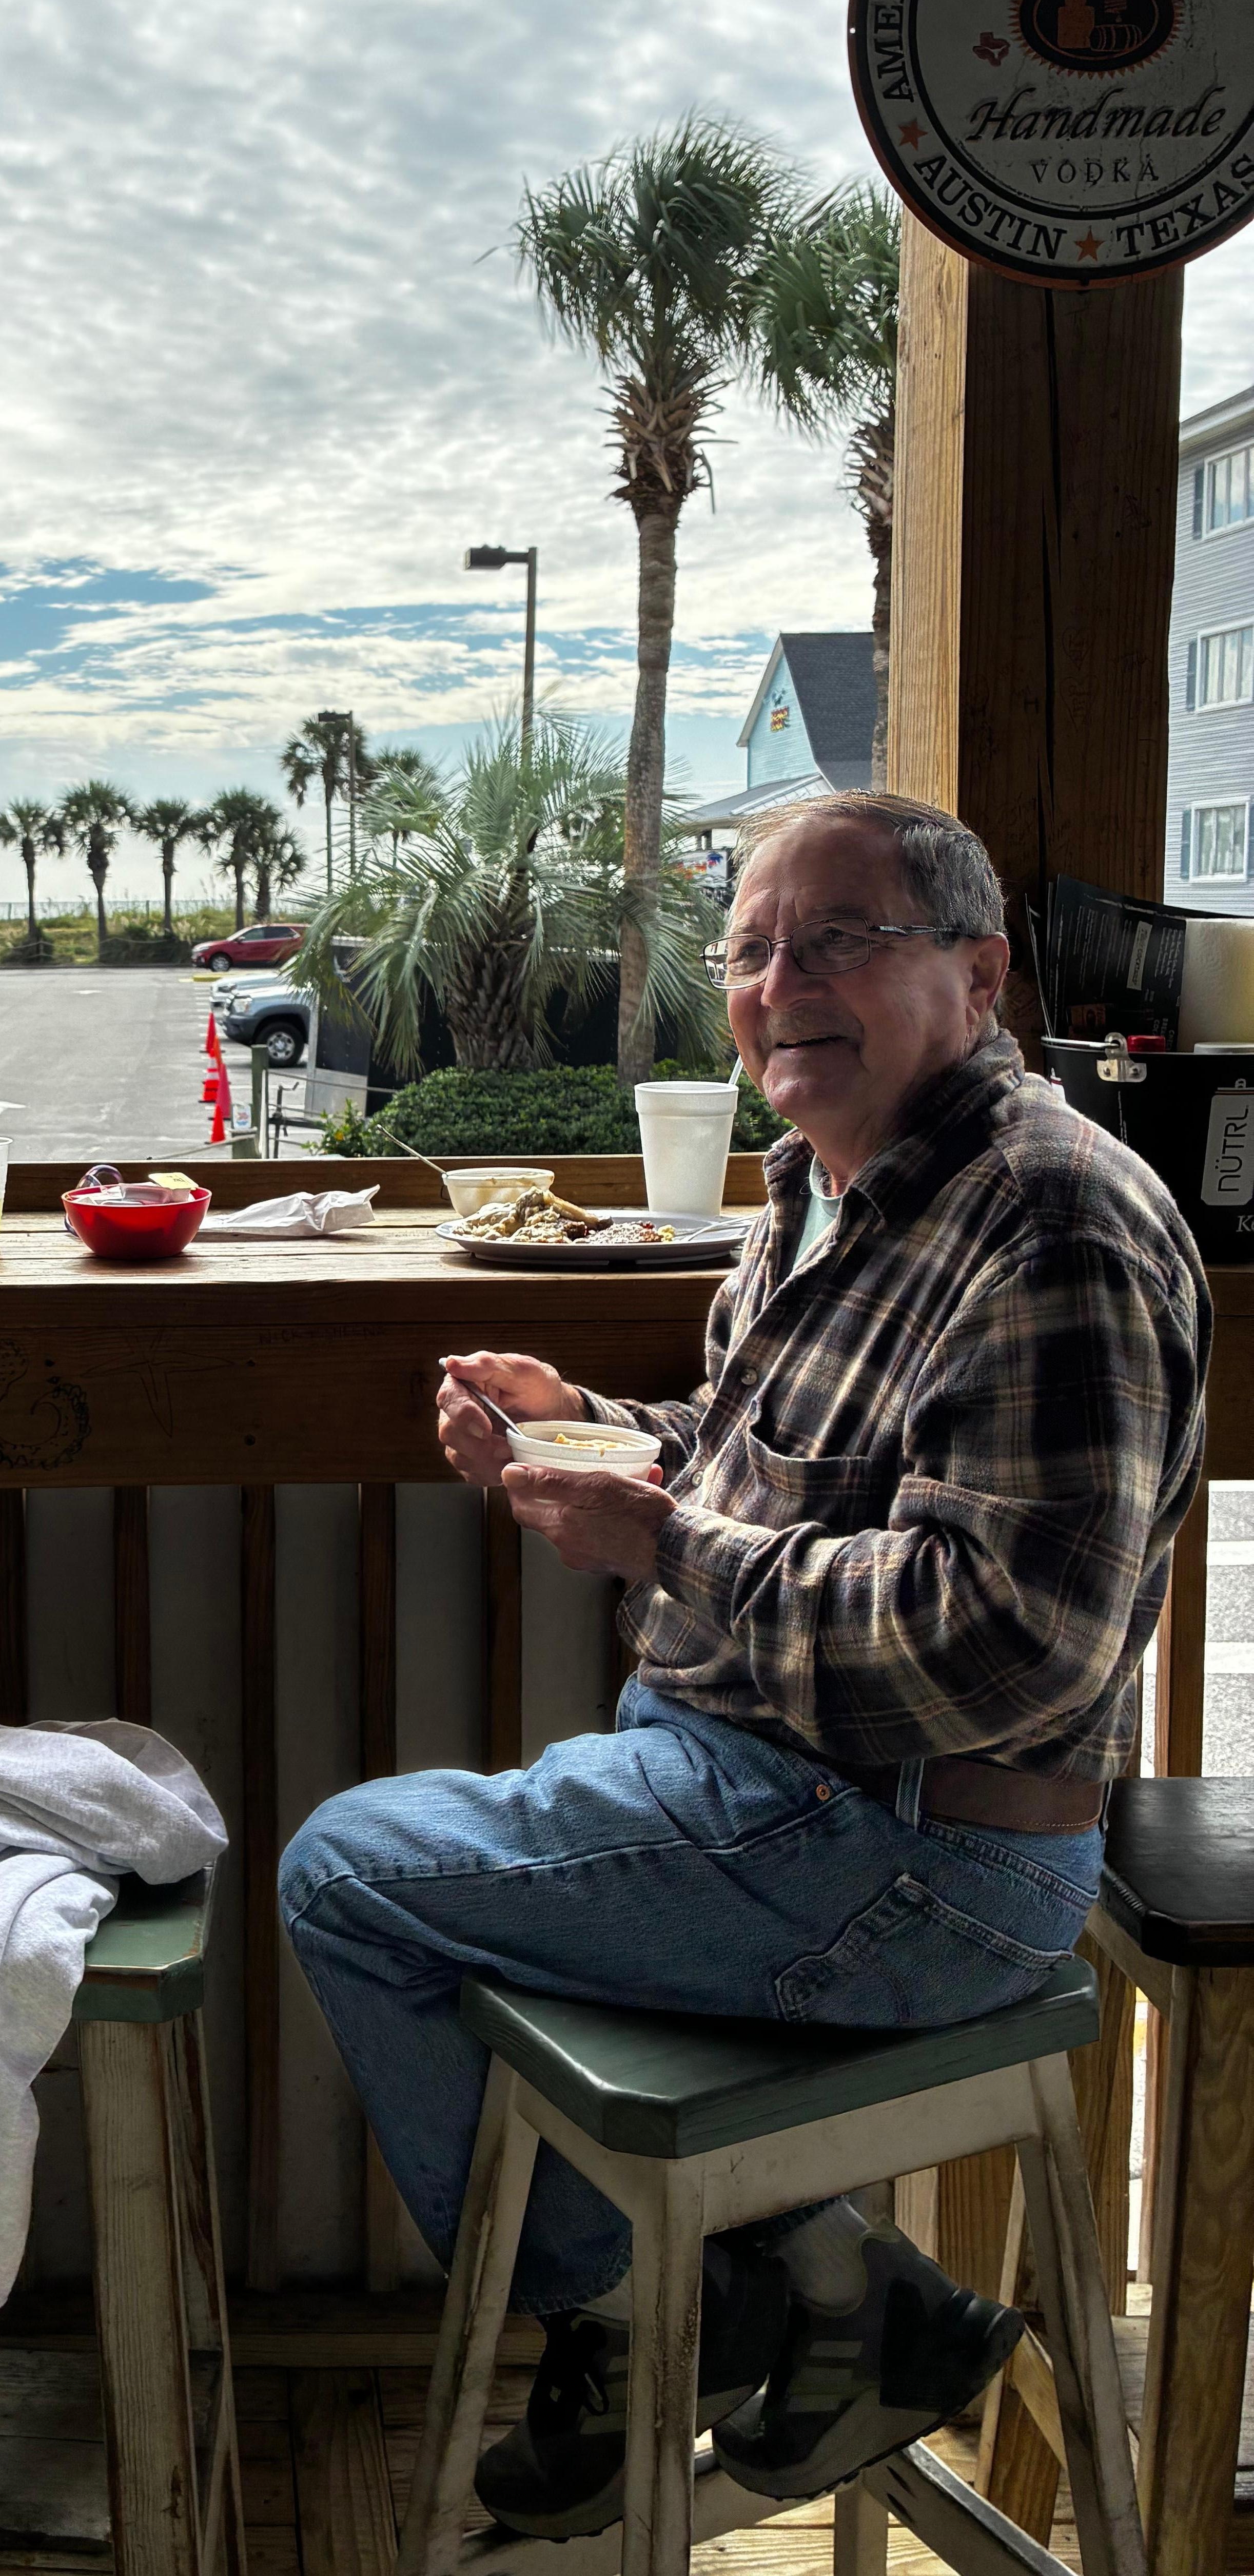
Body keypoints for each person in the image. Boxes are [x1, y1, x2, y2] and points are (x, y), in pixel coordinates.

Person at [281, 791, 1209, 2534]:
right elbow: (754, 1470)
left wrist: (657, 1544)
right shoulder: (825, 1187)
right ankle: (849, 2290)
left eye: (838, 940)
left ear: (977, 975)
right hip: (772, 1800)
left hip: (921, 1859)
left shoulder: (1052, 1223)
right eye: (751, 950)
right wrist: (589, 1426)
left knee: (345, 1876)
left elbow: (1006, 1642)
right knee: (425, 1877)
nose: (780, 986)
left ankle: (651, 2322)